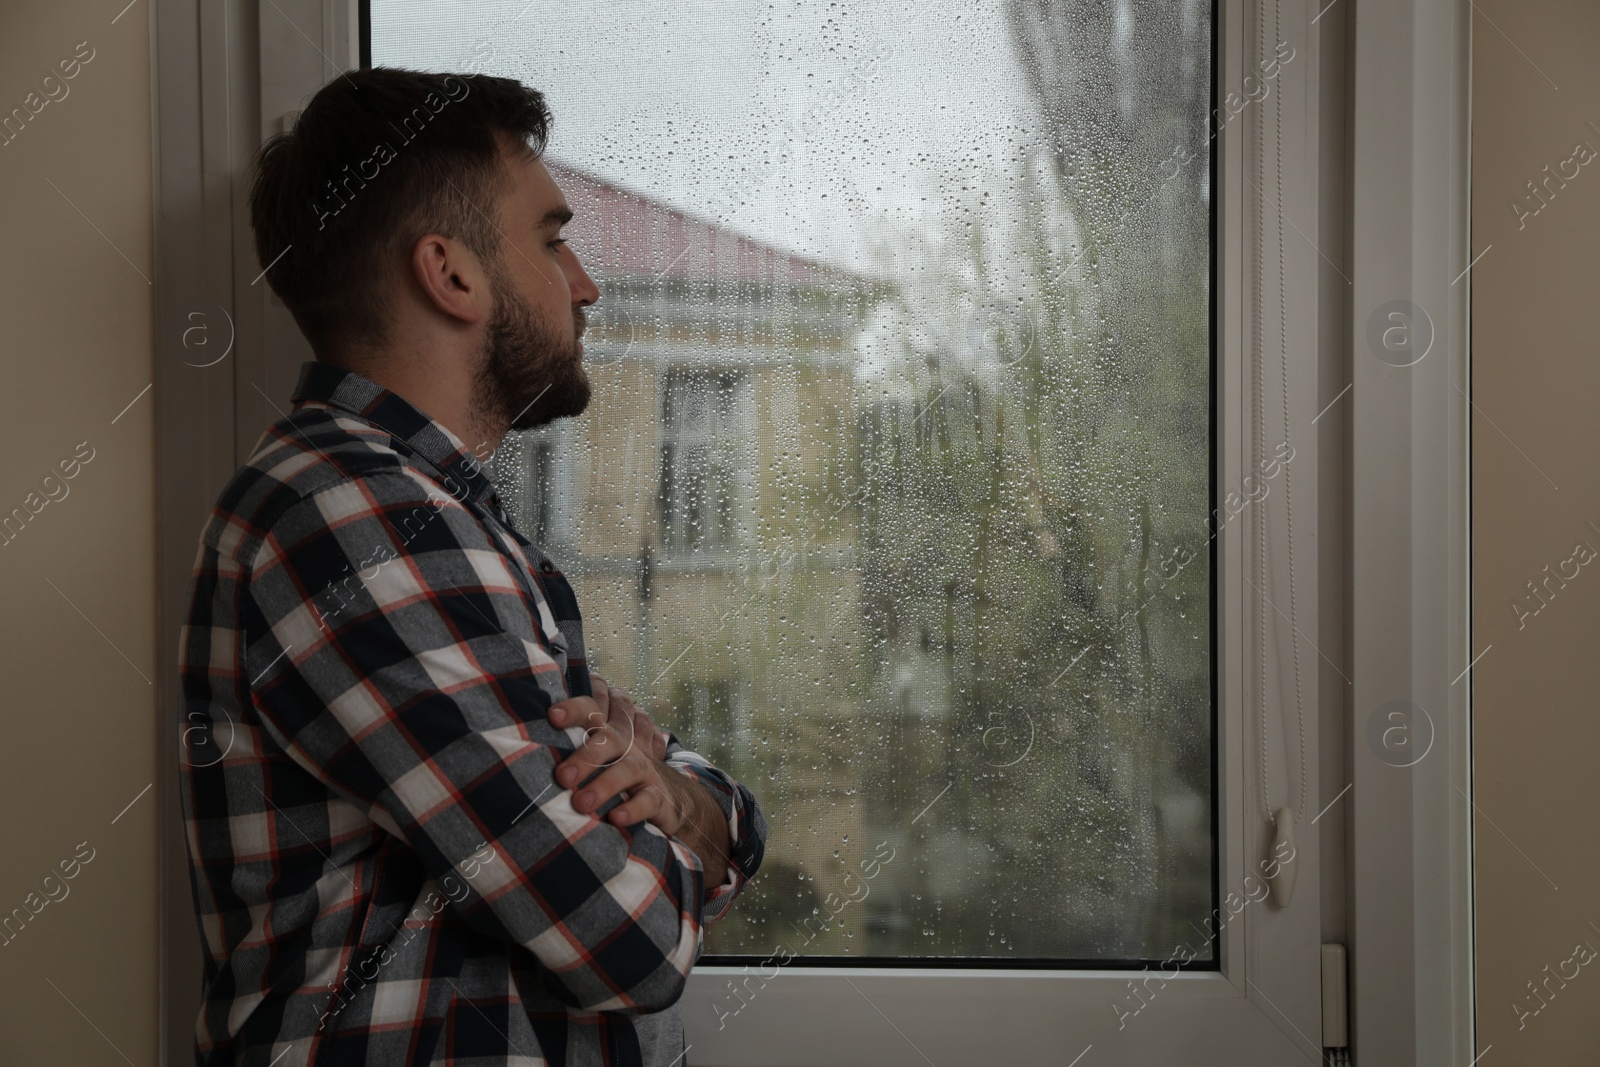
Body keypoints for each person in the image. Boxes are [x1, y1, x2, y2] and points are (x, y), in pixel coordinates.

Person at [177, 66, 766, 1066]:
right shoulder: (356, 518)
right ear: (450, 274)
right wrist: (690, 807)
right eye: (551, 238)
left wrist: (677, 794)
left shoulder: (436, 516)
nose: (584, 281)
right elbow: (628, 937)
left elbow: (691, 833)